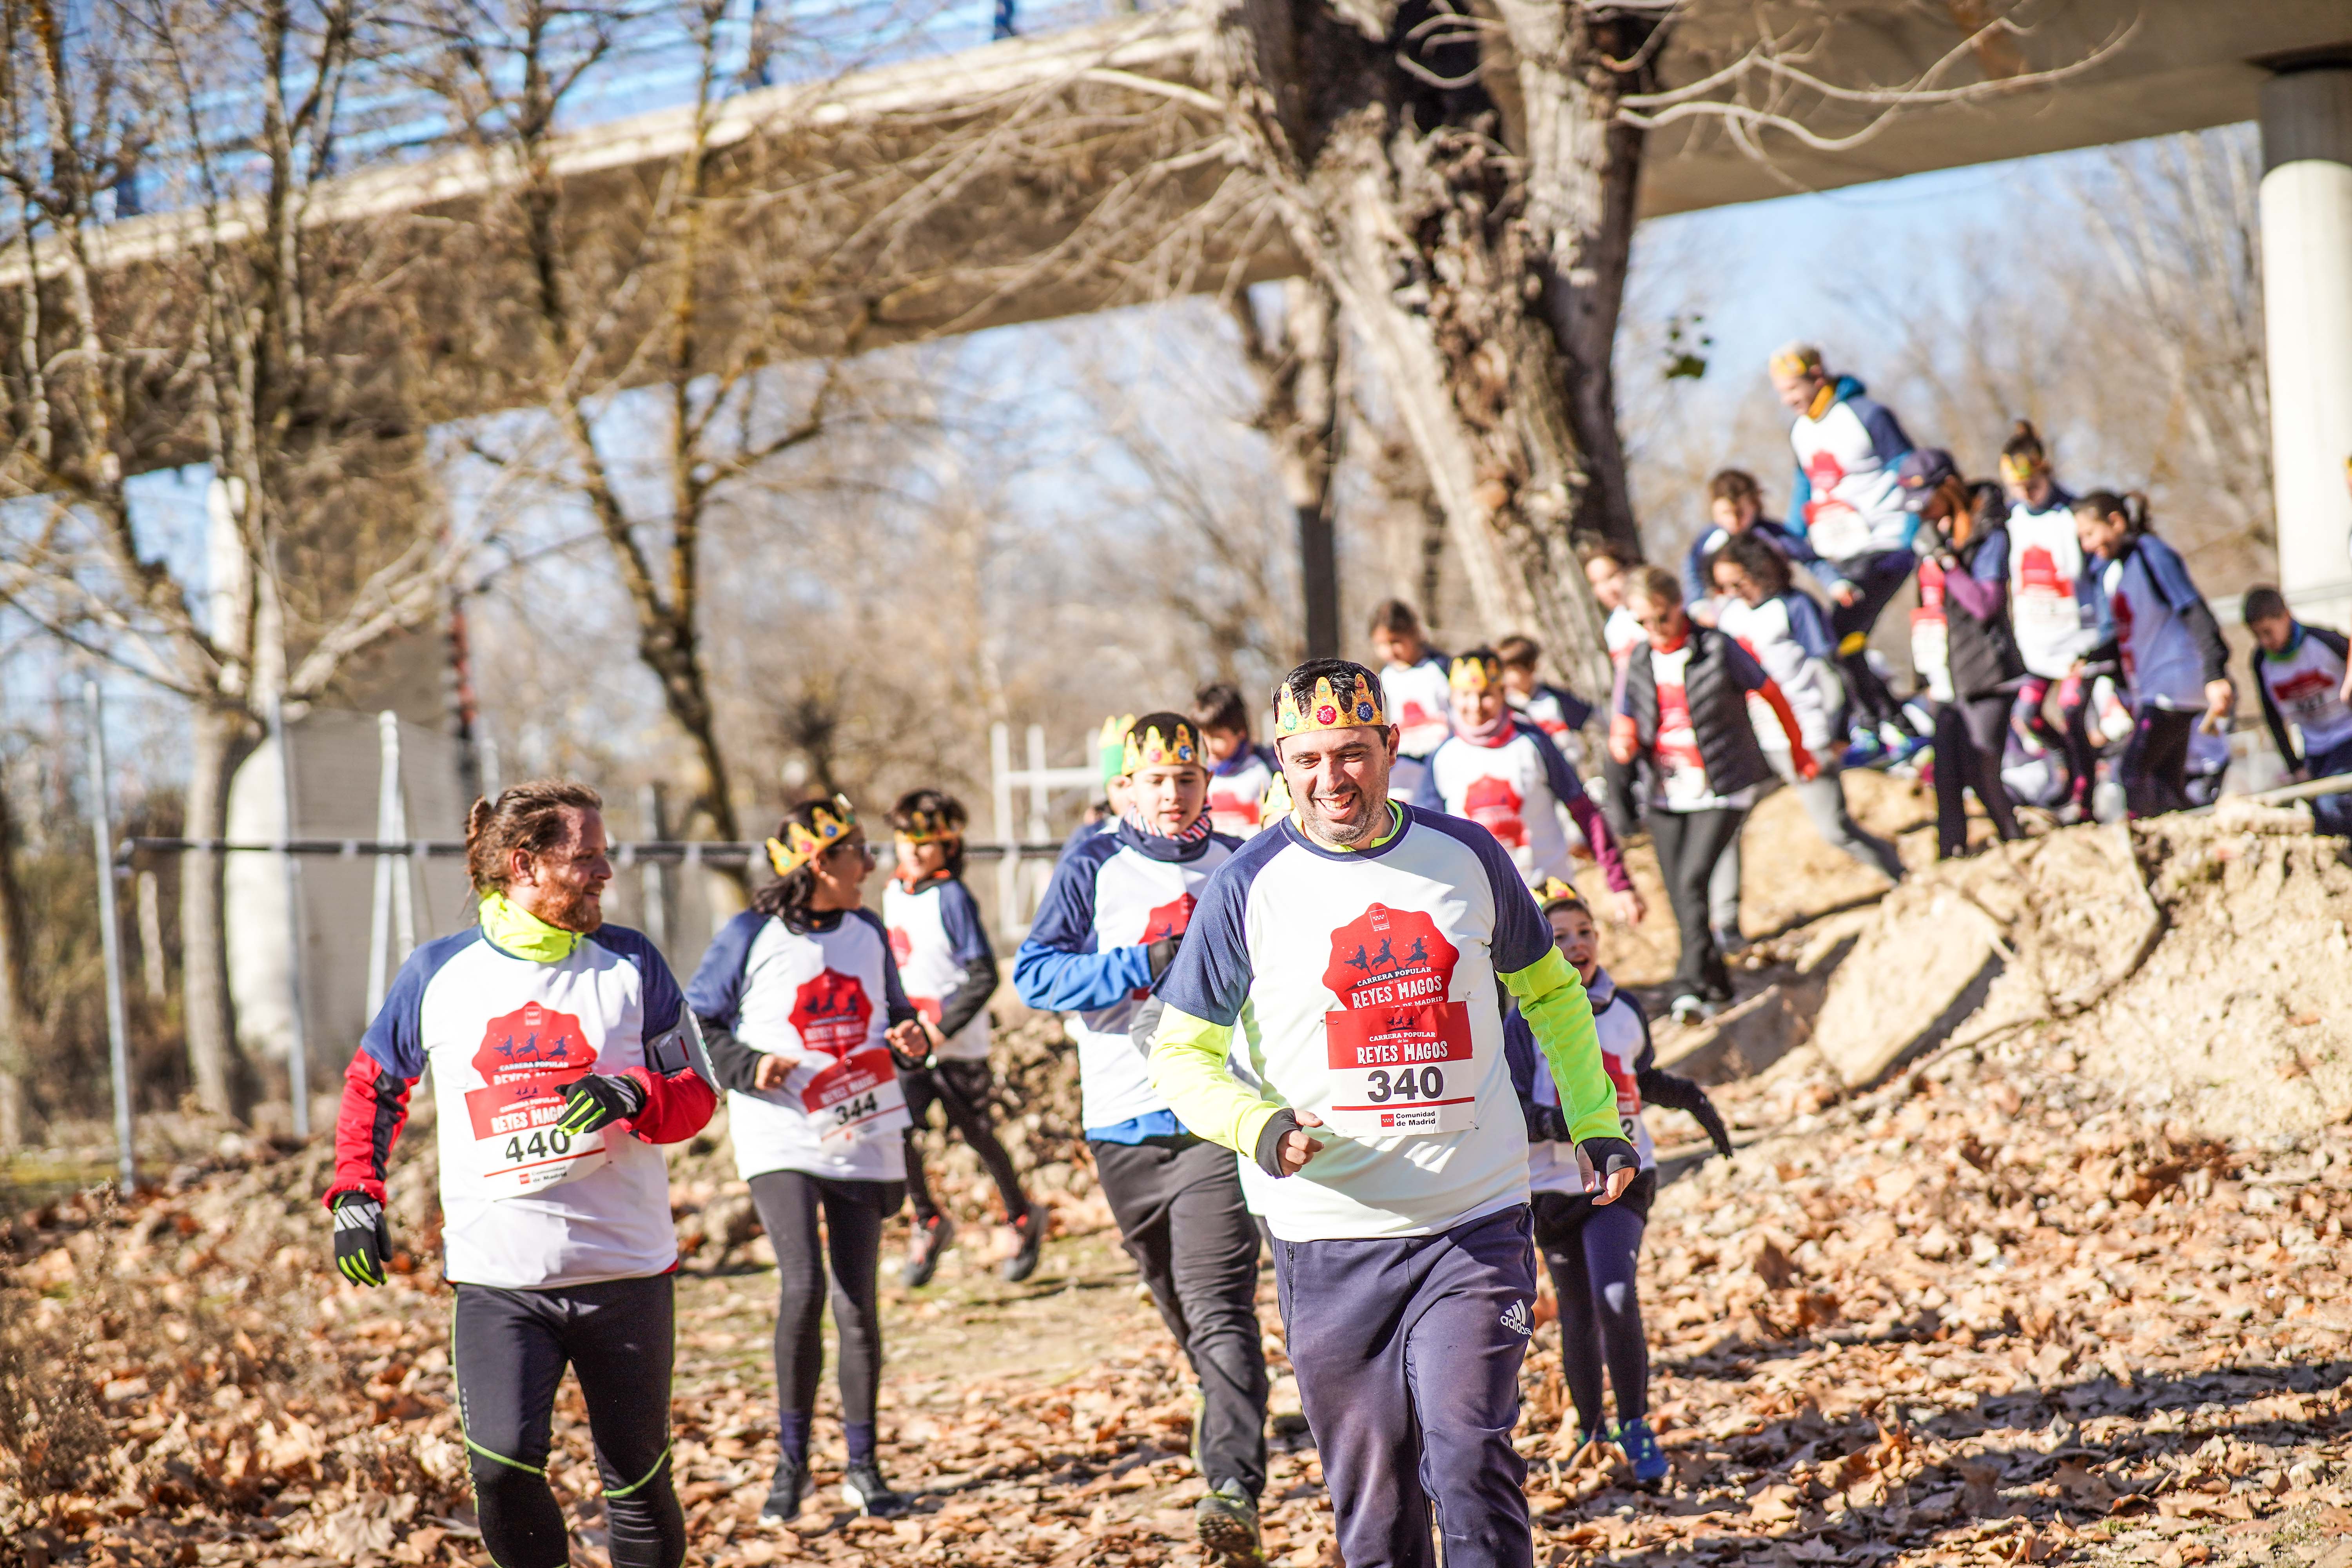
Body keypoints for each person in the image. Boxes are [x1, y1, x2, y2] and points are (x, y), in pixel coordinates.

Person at [1144, 661, 1639, 1568]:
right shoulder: (1248, 888)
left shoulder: (1468, 857)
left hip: (1475, 1220)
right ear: (1281, 768)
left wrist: (1592, 1118)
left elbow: (1555, 998)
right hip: (1328, 1237)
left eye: (1353, 754)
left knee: (1467, 1449)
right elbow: (1178, 1054)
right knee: (1375, 1505)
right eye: (1309, 759)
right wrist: (1257, 1125)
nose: (1333, 778)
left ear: (1391, 749)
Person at [325, 782, 715, 1568]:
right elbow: (374, 1082)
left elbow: (697, 1096)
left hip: (625, 1271)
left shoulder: (633, 962)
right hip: (499, 1279)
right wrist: (357, 1194)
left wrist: (633, 1092)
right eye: (588, 856)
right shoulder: (438, 972)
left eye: (605, 853)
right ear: (523, 864)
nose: (607, 870)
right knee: (501, 1472)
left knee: (636, 1480)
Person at [1013, 714, 1269, 1562]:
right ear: (1128, 783)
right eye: (1155, 779)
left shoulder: (1243, 860)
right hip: (1118, 1118)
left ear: (1206, 782)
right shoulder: (1093, 860)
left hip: (1214, 1118)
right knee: (1176, 1304)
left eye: (1186, 778)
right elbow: (1037, 973)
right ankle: (1225, 1409)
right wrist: (1141, 961)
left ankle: (1233, 1485)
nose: (1172, 794)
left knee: (1218, 1302)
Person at [688, 796, 927, 1522]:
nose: (871, 863)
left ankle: (864, 1465)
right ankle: (790, 1468)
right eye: (859, 851)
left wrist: (912, 1039)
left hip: (860, 1127)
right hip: (781, 1135)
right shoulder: (749, 934)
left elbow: (897, 1013)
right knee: (803, 1287)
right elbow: (697, 1019)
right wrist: (743, 1061)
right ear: (821, 863)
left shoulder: (867, 930)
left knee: (859, 1300)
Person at [1505, 881, 1732, 1483]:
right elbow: (1512, 1113)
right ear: (1539, 948)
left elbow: (1640, 1077)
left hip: (1624, 1175)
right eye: (1559, 938)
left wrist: (1691, 1100)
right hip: (1552, 1188)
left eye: (1585, 932)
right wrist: (1572, 1126)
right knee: (1577, 1311)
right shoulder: (1520, 1020)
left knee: (1613, 1295)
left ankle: (1636, 1425)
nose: (1576, 946)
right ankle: (1590, 1430)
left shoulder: (1626, 1009)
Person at [1609, 567, 1817, 1022]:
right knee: (1681, 892)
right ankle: (1718, 984)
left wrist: (1799, 751)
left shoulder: (1716, 648)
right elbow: (1627, 717)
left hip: (1723, 784)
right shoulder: (1640, 659)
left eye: (1660, 618)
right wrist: (1623, 741)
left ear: (1678, 605)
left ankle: (1686, 986)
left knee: (1691, 882)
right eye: (1641, 622)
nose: (1654, 630)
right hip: (1666, 791)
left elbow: (1771, 692)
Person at [884, 790, 1044, 1288]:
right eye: (906, 840)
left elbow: (982, 974)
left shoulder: (952, 897)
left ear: (948, 846)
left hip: (956, 1047)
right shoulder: (891, 892)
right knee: (897, 1131)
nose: (914, 852)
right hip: (911, 1048)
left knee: (977, 1134)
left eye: (927, 843)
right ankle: (928, 1219)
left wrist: (942, 1028)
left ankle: (1021, 1216)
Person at [1708, 534, 1906, 884]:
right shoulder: (1729, 617)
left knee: (1835, 829)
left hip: (1806, 732)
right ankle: (1724, 926)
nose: (1733, 591)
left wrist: (1837, 731)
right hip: (1757, 737)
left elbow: (1833, 673)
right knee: (1724, 824)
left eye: (1738, 582)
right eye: (1723, 586)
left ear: (1760, 571)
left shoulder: (1794, 606)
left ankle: (1898, 873)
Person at [1768, 342, 1926, 763]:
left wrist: (1910, 531)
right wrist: (1790, 540)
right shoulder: (1801, 431)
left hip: (1883, 545)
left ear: (1817, 375)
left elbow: (1909, 469)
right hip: (1839, 552)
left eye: (1793, 388)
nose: (1788, 400)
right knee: (1843, 640)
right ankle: (1896, 726)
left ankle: (1879, 729)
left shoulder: (1867, 415)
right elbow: (1806, 490)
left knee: (1840, 634)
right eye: (1781, 392)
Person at [1411, 648, 1645, 924]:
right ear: (1452, 697)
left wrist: (1619, 882)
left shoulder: (1533, 742)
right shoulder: (1442, 757)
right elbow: (1425, 838)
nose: (1475, 705)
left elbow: (1584, 810)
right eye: (1465, 695)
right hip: (1482, 901)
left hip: (1549, 895)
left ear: (1502, 694)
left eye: (1486, 694)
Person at [1895, 453, 2027, 857]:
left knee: (1983, 770)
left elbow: (1985, 604)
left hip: (1986, 672)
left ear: (1948, 487)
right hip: (1945, 675)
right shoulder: (1930, 534)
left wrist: (1947, 561)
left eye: (1928, 500)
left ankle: (2018, 845)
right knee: (1947, 777)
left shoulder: (1988, 534)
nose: (1924, 512)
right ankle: (1949, 857)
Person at [2075, 491, 2234, 817]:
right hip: (2155, 687)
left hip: (2174, 683)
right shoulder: (2117, 571)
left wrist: (2215, 673)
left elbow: (2196, 613)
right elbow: (2131, 634)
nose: (2088, 546)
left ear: (2116, 522)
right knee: (2166, 786)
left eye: (2090, 534)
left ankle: (2148, 854)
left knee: (2133, 773)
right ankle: (2187, 846)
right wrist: (2090, 657)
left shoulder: (2152, 554)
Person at [1998, 421, 2104, 820]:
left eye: (2032, 485)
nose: (2026, 495)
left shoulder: (2072, 516)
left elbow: (2096, 575)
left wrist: (2099, 639)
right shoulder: (2011, 521)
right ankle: (2068, 765)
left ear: (2046, 474)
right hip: (2035, 645)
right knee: (2028, 716)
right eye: (2018, 488)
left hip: (2077, 640)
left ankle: (2084, 797)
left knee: (2074, 713)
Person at [2244, 586, 2352, 835]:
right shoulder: (2262, 662)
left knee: (2333, 802)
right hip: (2314, 746)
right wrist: (2294, 766)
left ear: (2285, 616)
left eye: (2268, 632)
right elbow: (2272, 717)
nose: (2264, 641)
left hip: (2346, 734)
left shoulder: (2325, 641)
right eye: (2257, 635)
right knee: (2319, 818)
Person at [1679, 469, 1818, 623]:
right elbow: (1692, 572)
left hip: (1777, 609)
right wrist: (1698, 605)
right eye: (1726, 513)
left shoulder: (1771, 534)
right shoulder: (1709, 541)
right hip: (1732, 614)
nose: (1734, 520)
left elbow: (1810, 559)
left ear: (1754, 505)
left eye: (1740, 513)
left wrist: (1834, 583)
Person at [1581, 543, 1649, 843]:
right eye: (1596, 584)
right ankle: (1629, 835)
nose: (1606, 589)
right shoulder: (1614, 626)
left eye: (1611, 577)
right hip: (1632, 710)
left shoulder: (1645, 611)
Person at [1368, 599, 1453, 800]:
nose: (1390, 651)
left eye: (1396, 641)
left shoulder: (1442, 668)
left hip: (1442, 755)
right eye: (1382, 645)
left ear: (1415, 633)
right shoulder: (1383, 678)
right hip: (1404, 761)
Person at [1195, 681, 1280, 837]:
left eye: (1217, 737)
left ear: (1240, 733)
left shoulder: (1268, 769)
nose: (1208, 746)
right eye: (1203, 737)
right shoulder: (1196, 774)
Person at [1494, 634, 1593, 766]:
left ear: (1532, 667)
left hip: (1565, 768)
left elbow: (1591, 718)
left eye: (1513, 670)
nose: (1506, 677)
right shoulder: (1503, 707)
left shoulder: (1554, 699)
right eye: (1503, 671)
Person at [1060, 714, 1136, 860]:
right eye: (1119, 786)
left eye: (1133, 783)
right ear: (1107, 789)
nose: (1129, 795)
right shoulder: (1087, 839)